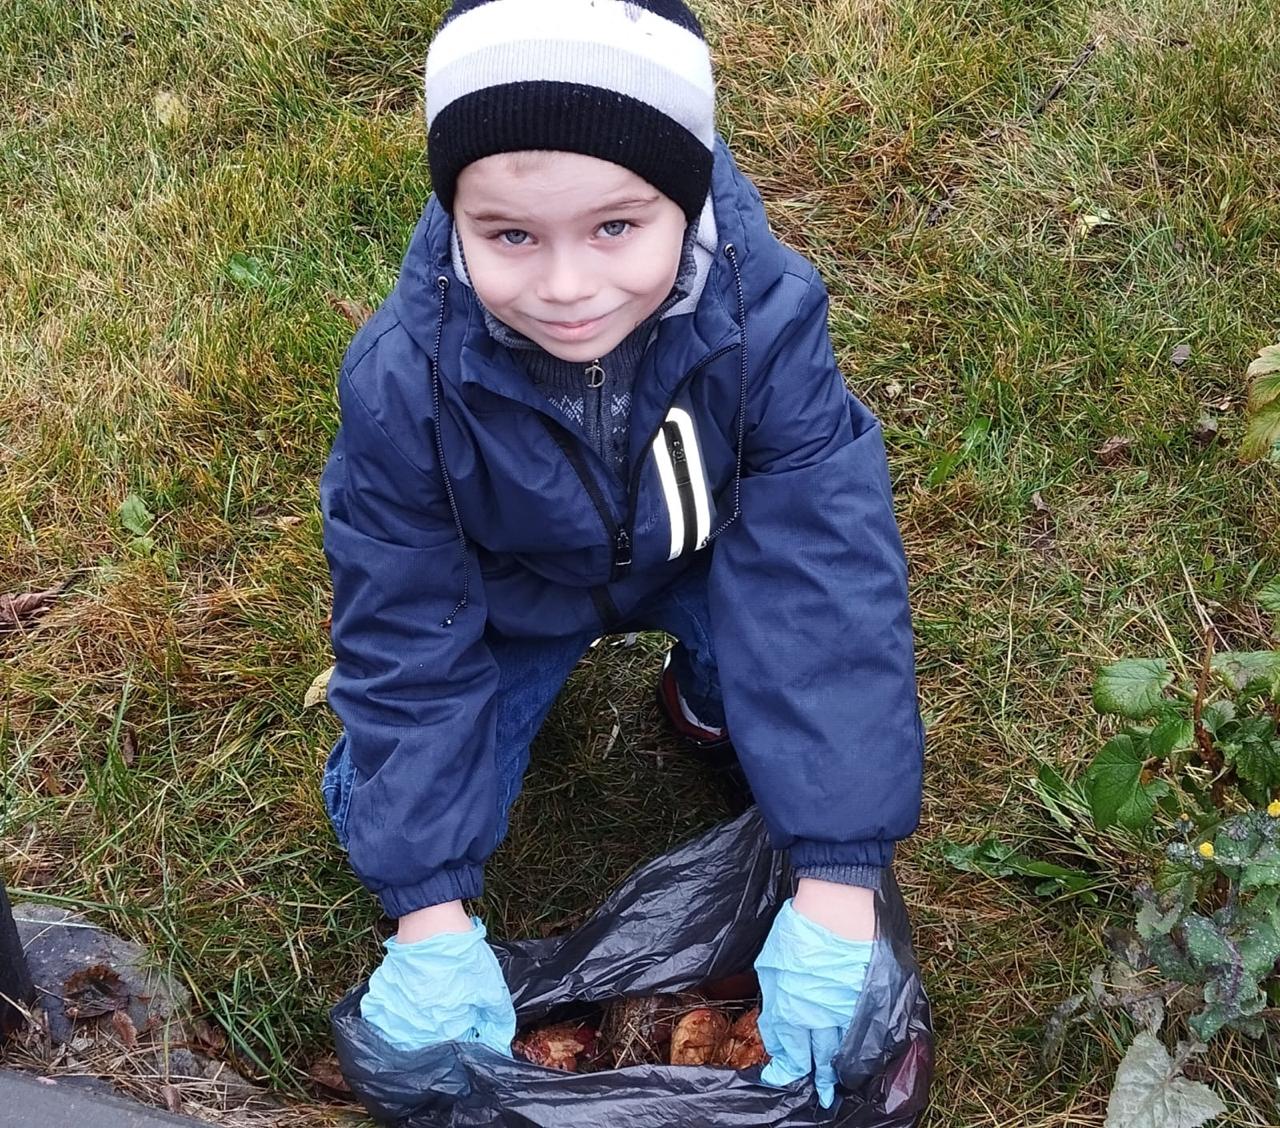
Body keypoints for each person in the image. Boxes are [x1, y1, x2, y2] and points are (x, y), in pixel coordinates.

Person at [319, 0, 925, 1109]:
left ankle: (705, 700)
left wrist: (840, 881)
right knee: (382, 800)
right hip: (510, 598)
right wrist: (427, 911)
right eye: (509, 235)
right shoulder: (404, 380)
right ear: (453, 212)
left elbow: (820, 576)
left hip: (707, 561)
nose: (565, 287)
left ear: (684, 199)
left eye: (614, 228)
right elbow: (403, 626)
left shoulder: (764, 318)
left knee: (782, 659)